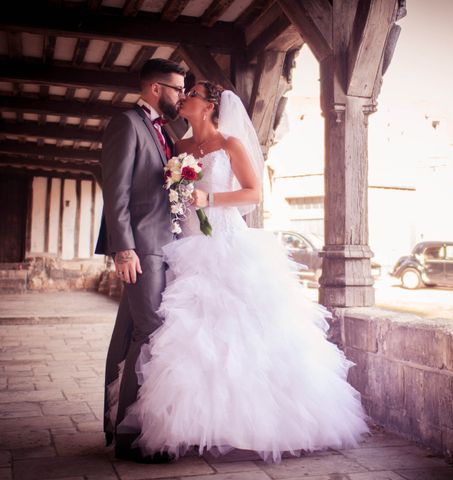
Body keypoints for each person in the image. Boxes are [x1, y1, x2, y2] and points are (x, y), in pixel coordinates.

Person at [118, 81, 369, 462]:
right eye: (184, 92)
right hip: (183, 247)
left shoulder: (230, 144)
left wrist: (210, 198)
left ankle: (257, 423)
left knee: (239, 335)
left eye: (194, 94)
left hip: (224, 242)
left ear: (209, 107)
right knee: (188, 337)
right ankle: (192, 424)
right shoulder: (179, 148)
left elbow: (253, 194)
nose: (184, 97)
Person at [96, 58, 186, 462]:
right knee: (150, 333)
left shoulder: (165, 131)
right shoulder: (126, 124)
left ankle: (122, 426)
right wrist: (123, 248)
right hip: (142, 249)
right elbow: (115, 191)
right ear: (155, 88)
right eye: (177, 89)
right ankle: (135, 437)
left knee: (132, 335)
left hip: (167, 247)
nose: (181, 96)